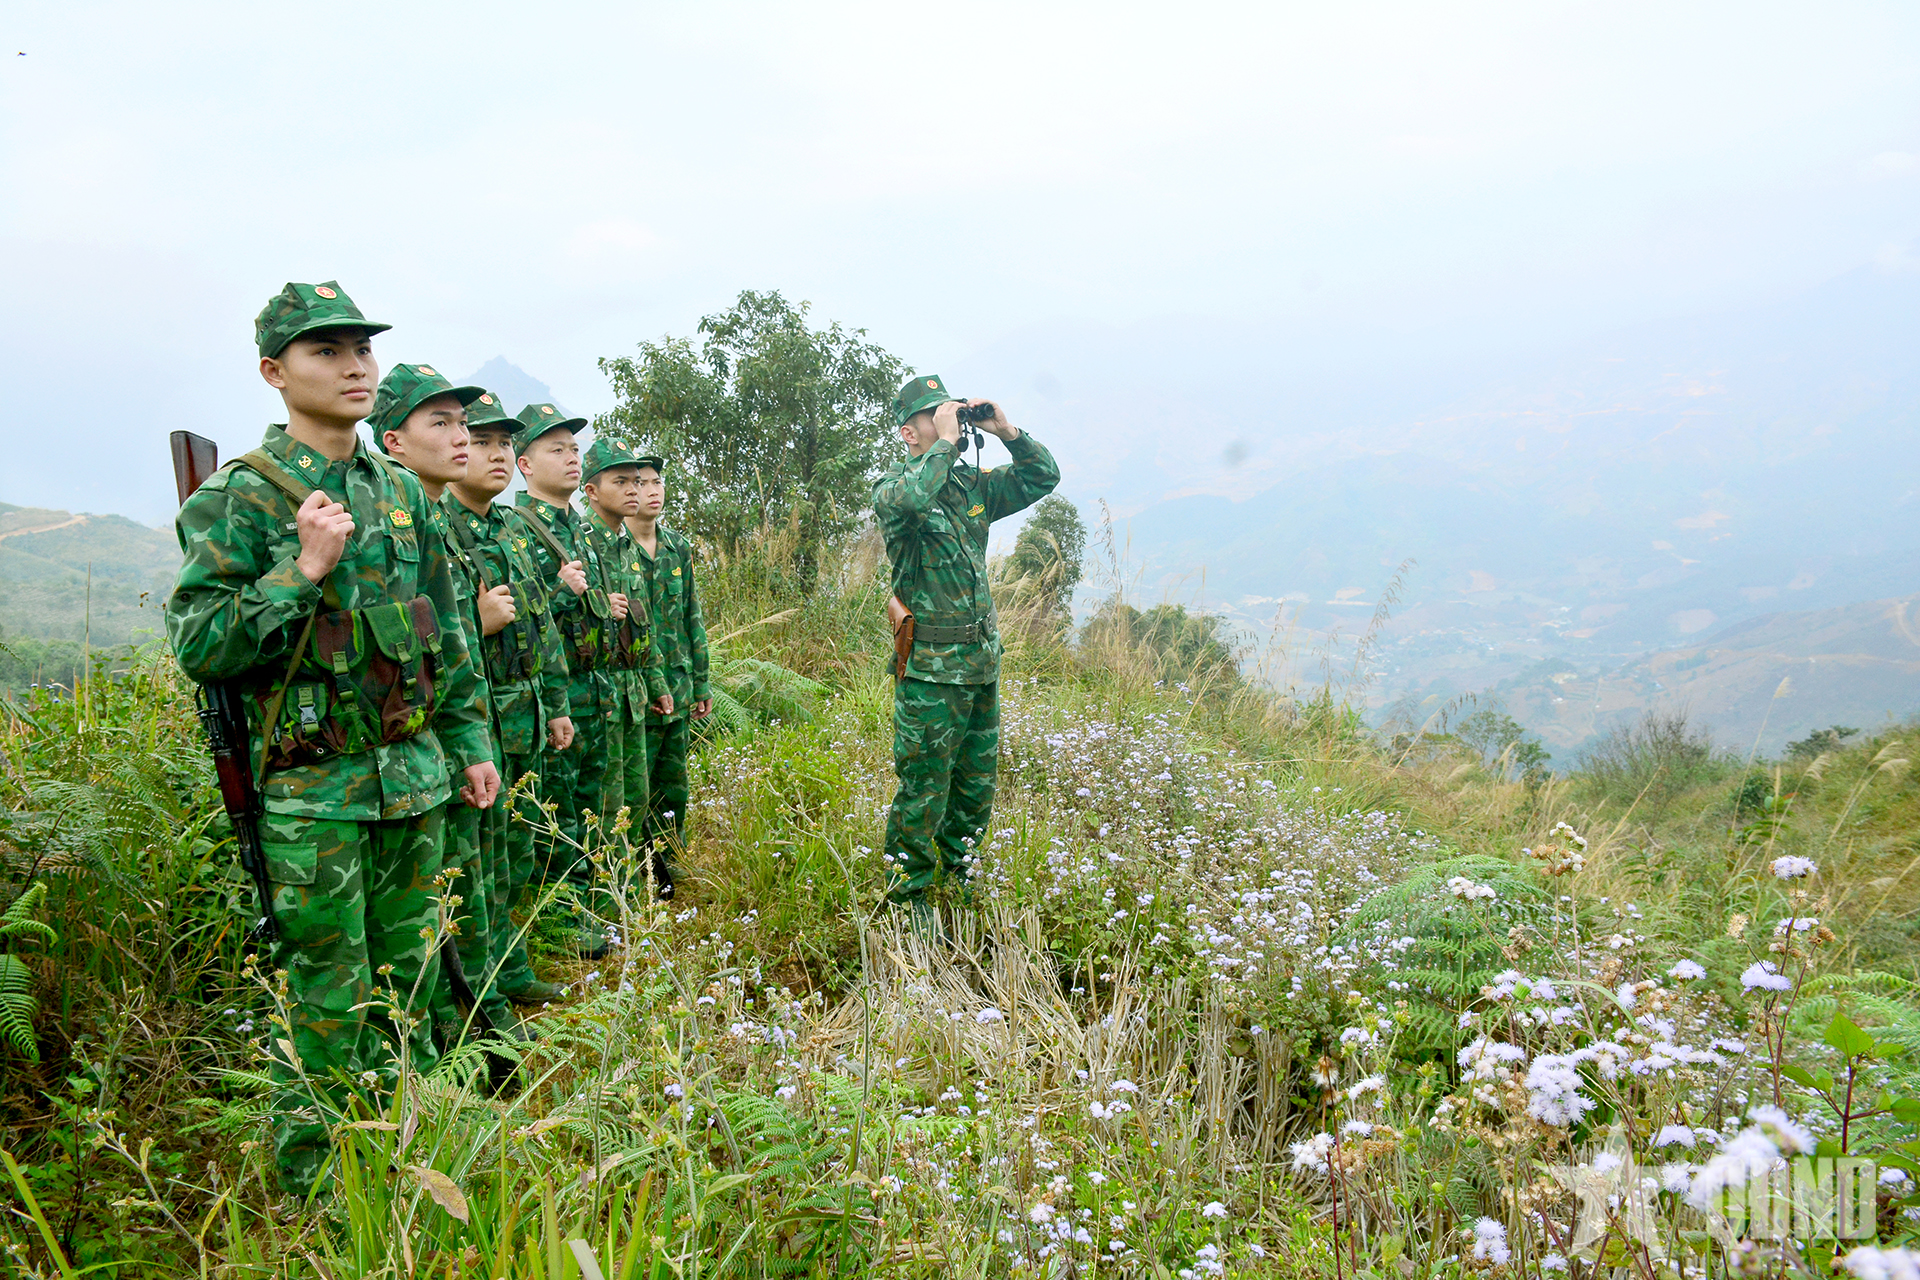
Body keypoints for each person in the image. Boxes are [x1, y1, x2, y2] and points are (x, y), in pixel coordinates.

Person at [165, 282, 498, 1198]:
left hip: (415, 774)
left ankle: (407, 1146)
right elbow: (201, 645)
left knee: (412, 973)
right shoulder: (242, 497)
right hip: (314, 793)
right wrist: (299, 570)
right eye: (325, 351)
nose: (354, 365)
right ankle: (317, 1181)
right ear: (275, 373)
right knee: (326, 986)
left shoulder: (402, 492)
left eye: (362, 349)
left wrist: (473, 740)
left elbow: (450, 629)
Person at [367, 363, 521, 1043]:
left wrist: (471, 742)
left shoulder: (435, 522)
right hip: (384, 752)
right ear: (394, 441)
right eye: (444, 424)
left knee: (464, 886)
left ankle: (475, 1018)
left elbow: (453, 654)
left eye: (467, 425)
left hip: (448, 744)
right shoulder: (394, 518)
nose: (464, 438)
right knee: (432, 904)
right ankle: (449, 1033)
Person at [872, 374, 1059, 916]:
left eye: (950, 410)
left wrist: (1006, 430)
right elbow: (908, 502)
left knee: (975, 789)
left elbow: (1043, 476)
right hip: (931, 668)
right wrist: (947, 445)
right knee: (924, 789)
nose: (950, 417)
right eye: (938, 413)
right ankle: (906, 899)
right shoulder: (895, 489)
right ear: (910, 433)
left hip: (980, 665)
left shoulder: (971, 488)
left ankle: (959, 881)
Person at [445, 390, 577, 1005]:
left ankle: (512, 967)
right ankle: (481, 990)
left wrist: (555, 703)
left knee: (515, 851)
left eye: (504, 443)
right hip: (479, 716)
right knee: (478, 863)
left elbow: (543, 625)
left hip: (523, 713)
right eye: (482, 441)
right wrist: (478, 623)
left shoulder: (513, 528)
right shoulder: (439, 527)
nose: (496, 454)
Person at [509, 404, 627, 953]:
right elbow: (519, 623)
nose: (572, 459)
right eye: (556, 450)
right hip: (558, 691)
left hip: (597, 685)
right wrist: (561, 591)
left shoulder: (581, 530)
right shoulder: (516, 528)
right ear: (525, 464)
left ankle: (594, 905)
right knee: (556, 809)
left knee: (593, 804)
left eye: (575, 449)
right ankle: (560, 918)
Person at [579, 439, 673, 863]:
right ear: (592, 491)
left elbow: (643, 622)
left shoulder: (627, 547)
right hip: (597, 693)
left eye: (637, 481)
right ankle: (606, 895)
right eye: (622, 481)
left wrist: (656, 682)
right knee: (605, 803)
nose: (634, 490)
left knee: (636, 796)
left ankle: (634, 889)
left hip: (632, 691)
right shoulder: (582, 542)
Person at [622, 452, 709, 898]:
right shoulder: (614, 549)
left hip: (677, 684)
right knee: (636, 786)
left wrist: (702, 681)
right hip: (636, 691)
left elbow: (692, 615)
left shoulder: (677, 546)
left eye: (657, 482)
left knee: (673, 784)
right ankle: (637, 867)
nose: (651, 491)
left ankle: (668, 859)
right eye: (639, 482)